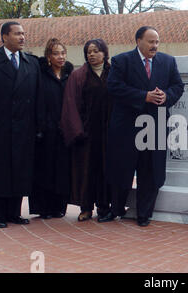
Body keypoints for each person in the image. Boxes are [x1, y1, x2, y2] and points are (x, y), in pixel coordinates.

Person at [106, 26, 184, 226]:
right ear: (138, 41)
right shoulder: (121, 61)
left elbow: (178, 86)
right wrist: (144, 96)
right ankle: (116, 209)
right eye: (151, 41)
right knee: (122, 169)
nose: (155, 46)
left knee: (151, 171)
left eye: (157, 42)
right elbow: (114, 87)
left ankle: (144, 214)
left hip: (155, 124)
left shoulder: (168, 61)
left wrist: (167, 96)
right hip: (127, 126)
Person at [0, 21, 43, 228]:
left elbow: (38, 98)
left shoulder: (31, 63)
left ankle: (14, 212)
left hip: (24, 130)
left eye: (23, 34)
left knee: (20, 172)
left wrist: (38, 127)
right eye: (17, 34)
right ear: (4, 37)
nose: (22, 37)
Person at [60, 39, 113, 222]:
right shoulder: (78, 75)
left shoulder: (113, 73)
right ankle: (86, 207)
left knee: (107, 170)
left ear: (105, 53)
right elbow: (70, 104)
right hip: (86, 134)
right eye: (89, 51)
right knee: (86, 171)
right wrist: (77, 130)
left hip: (109, 133)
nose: (92, 54)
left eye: (96, 51)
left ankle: (105, 207)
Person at [29, 38, 73, 219]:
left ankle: (59, 206)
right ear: (48, 56)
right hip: (45, 130)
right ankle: (43, 208)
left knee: (62, 169)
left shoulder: (70, 74)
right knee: (44, 169)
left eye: (63, 53)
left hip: (64, 131)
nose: (60, 57)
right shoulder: (40, 74)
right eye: (56, 53)